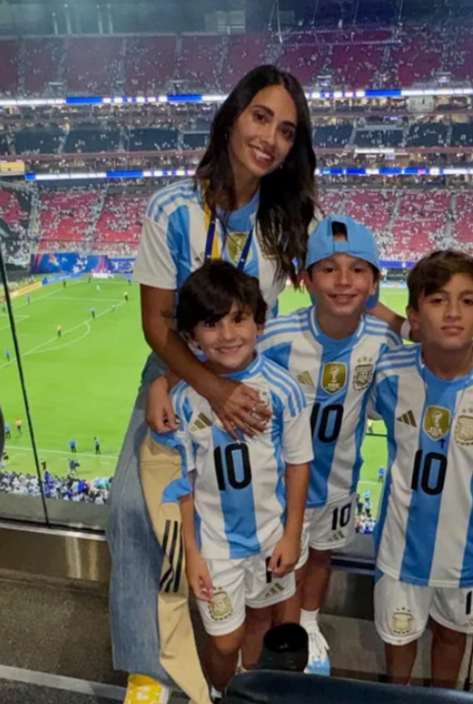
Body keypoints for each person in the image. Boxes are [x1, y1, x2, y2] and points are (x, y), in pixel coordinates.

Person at [109, 66, 319, 703]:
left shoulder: (281, 226)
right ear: (231, 118)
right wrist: (187, 383)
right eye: (262, 118)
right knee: (131, 510)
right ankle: (149, 671)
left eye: (287, 131)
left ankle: (236, 660)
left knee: (250, 507)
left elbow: (270, 321)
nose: (272, 138)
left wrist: (403, 322)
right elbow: (156, 323)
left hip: (247, 375)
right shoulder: (172, 208)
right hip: (179, 368)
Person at [369, 250, 473, 688]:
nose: (452, 312)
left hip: (468, 554)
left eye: (466, 302)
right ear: (415, 314)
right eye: (438, 300)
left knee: (451, 636)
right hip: (400, 548)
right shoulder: (389, 373)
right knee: (398, 641)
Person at [152, 263, 313, 701]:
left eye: (238, 319)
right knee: (225, 640)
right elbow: (183, 482)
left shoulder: (283, 391)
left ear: (259, 324)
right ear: (191, 337)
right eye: (211, 323)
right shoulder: (184, 399)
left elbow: (299, 463)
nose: (226, 334)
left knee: (260, 622)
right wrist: (192, 554)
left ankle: (250, 692)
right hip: (216, 547)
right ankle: (221, 691)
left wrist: (292, 534)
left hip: (270, 538)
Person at [250, 216, 402, 673]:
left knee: (320, 556)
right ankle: (281, 636)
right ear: (307, 278)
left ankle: (309, 625)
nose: (343, 280)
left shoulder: (383, 340)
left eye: (357, 269)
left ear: (374, 281)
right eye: (329, 268)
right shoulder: (276, 338)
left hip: (339, 480)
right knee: (280, 565)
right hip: (278, 487)